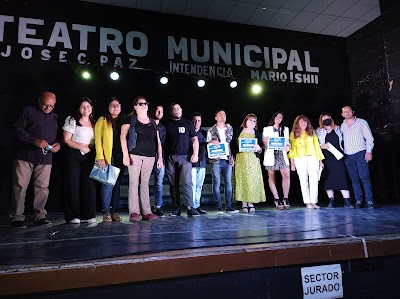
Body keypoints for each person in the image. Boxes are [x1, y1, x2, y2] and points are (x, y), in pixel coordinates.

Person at [10, 91, 60, 228]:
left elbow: (58, 137)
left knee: (43, 188)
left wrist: (58, 145)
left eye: (51, 106)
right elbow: (17, 129)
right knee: (20, 187)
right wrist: (35, 141)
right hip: (25, 155)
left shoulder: (56, 118)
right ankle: (17, 217)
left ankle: (40, 216)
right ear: (39, 101)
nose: (48, 108)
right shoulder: (28, 111)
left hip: (45, 158)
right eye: (46, 105)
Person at [121, 96, 163, 222]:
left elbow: (158, 140)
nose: (144, 105)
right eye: (141, 104)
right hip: (135, 154)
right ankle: (134, 212)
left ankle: (146, 212)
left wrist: (160, 157)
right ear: (135, 106)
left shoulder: (151, 121)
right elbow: (123, 137)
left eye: (146, 103)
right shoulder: (130, 119)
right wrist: (125, 155)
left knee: (145, 184)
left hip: (150, 156)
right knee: (134, 183)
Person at [63, 97, 96, 224]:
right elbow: (66, 140)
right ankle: (73, 216)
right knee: (73, 185)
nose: (86, 109)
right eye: (83, 106)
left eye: (88, 106)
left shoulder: (94, 122)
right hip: (74, 154)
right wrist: (82, 147)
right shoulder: (72, 120)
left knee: (89, 186)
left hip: (89, 156)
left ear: (91, 108)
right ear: (79, 108)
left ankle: (88, 215)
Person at [164, 103, 200, 217]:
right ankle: (176, 209)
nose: (177, 110)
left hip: (185, 157)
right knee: (173, 184)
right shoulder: (166, 124)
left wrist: (195, 153)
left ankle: (190, 207)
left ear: (181, 110)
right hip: (170, 157)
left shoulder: (188, 123)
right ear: (170, 112)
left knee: (187, 183)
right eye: (174, 109)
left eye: (178, 108)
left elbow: (195, 139)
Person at [95, 97, 126, 222]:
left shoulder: (124, 121)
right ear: (108, 107)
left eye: (117, 105)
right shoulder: (102, 120)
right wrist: (100, 157)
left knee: (117, 185)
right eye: (112, 105)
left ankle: (115, 212)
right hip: (108, 157)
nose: (115, 107)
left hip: (120, 157)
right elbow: (98, 140)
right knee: (107, 185)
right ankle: (106, 212)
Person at [340, 106, 375, 208]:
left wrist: (369, 151)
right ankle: (358, 200)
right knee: (354, 178)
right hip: (348, 155)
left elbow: (369, 138)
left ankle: (369, 200)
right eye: (345, 112)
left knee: (364, 177)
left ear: (353, 112)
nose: (347, 113)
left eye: (349, 111)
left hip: (360, 152)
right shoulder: (342, 126)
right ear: (342, 115)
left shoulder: (361, 122)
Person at [288, 115, 324, 209]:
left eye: (305, 121)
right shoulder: (293, 134)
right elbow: (291, 150)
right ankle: (307, 202)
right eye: (301, 122)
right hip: (299, 159)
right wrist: (292, 163)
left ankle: (313, 201)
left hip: (312, 158)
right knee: (303, 180)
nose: (303, 123)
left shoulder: (312, 132)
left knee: (314, 180)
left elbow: (317, 147)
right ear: (297, 123)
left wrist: (320, 160)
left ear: (307, 123)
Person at [206, 109, 239, 214]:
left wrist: (232, 156)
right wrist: (212, 141)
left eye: (224, 114)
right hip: (216, 160)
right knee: (216, 183)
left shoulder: (229, 128)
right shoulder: (211, 130)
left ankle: (229, 206)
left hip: (227, 159)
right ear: (216, 118)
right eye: (220, 114)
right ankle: (219, 207)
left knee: (228, 183)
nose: (222, 116)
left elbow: (231, 144)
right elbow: (207, 144)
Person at [316, 112, 351, 208]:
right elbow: (314, 145)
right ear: (321, 121)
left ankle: (347, 201)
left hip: (338, 158)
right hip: (326, 159)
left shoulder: (338, 129)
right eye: (324, 119)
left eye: (328, 118)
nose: (326, 120)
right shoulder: (319, 131)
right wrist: (321, 146)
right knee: (328, 181)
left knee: (342, 178)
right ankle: (331, 202)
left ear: (331, 119)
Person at [232, 113, 266, 212]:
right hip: (241, 159)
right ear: (245, 121)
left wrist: (259, 148)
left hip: (253, 160)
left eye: (254, 121)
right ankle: (243, 202)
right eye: (250, 120)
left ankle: (250, 202)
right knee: (242, 180)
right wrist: (232, 157)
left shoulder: (258, 133)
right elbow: (233, 145)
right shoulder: (238, 131)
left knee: (252, 181)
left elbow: (260, 150)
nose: (252, 122)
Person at [262, 111, 291, 210]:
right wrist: (265, 141)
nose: (279, 118)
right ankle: (276, 199)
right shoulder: (267, 129)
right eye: (277, 116)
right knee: (272, 176)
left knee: (286, 175)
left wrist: (288, 146)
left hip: (282, 154)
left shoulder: (285, 129)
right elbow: (264, 144)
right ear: (274, 118)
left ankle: (285, 198)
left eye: (281, 117)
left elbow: (287, 141)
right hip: (271, 154)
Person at [150, 104, 166, 217]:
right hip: (146, 157)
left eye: (161, 111)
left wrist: (160, 158)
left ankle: (157, 207)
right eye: (157, 110)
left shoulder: (163, 128)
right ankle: (144, 207)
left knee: (159, 184)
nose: (160, 113)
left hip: (159, 158)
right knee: (143, 184)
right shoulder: (147, 124)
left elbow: (162, 144)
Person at [191, 112, 207, 214]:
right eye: (195, 120)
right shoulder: (189, 132)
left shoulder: (205, 133)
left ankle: (197, 206)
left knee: (199, 187)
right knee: (192, 186)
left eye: (199, 121)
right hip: (191, 163)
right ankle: (191, 207)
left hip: (202, 163)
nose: (197, 123)